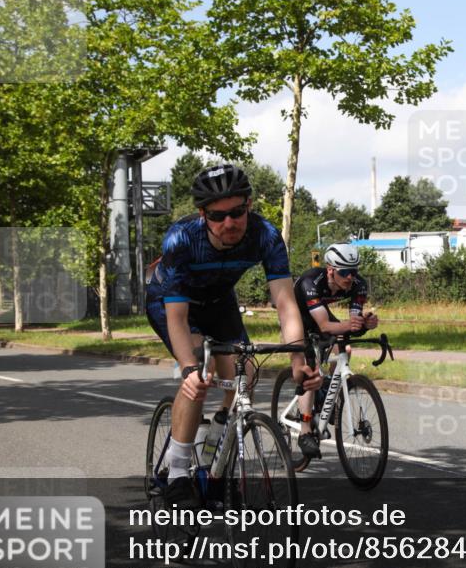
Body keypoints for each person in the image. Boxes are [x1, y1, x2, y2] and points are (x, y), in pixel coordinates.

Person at [146, 164, 321, 506]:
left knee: (246, 374)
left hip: (219, 301)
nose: (229, 223)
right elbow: (178, 319)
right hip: (171, 303)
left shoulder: (265, 235)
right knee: (200, 375)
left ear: (249, 205)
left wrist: (298, 359)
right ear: (202, 214)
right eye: (217, 215)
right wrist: (187, 370)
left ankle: (218, 443)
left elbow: (286, 304)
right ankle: (178, 472)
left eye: (237, 212)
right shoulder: (182, 240)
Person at [291, 243, 379, 459]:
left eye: (354, 271)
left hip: (320, 315)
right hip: (297, 317)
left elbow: (352, 323)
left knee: (345, 349)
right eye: (344, 272)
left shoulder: (357, 285)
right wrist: (352, 325)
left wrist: (365, 323)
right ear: (330, 270)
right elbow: (324, 327)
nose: (350, 277)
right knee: (309, 370)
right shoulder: (311, 282)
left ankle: (326, 391)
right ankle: (305, 432)